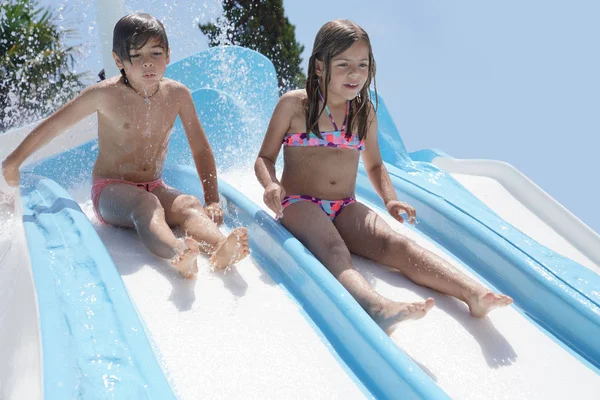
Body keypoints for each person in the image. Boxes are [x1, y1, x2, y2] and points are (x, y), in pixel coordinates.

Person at [255, 19, 512, 333]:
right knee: (334, 249)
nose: (355, 73)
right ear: (320, 67)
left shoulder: (363, 113)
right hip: (299, 203)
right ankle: (375, 306)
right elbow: (264, 157)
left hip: (345, 205)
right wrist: (271, 184)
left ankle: (473, 293)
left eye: (362, 65)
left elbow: (375, 165)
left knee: (395, 243)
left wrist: (390, 200)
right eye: (344, 64)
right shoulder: (295, 106)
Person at [1, 13, 249, 278]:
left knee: (188, 204)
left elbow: (200, 148)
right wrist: (13, 162)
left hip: (155, 184)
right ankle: (178, 251)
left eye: (155, 53)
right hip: (110, 190)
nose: (147, 63)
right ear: (118, 60)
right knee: (147, 205)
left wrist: (211, 198)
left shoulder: (177, 94)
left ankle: (220, 247)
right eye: (136, 55)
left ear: (168, 55)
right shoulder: (104, 95)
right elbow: (53, 127)